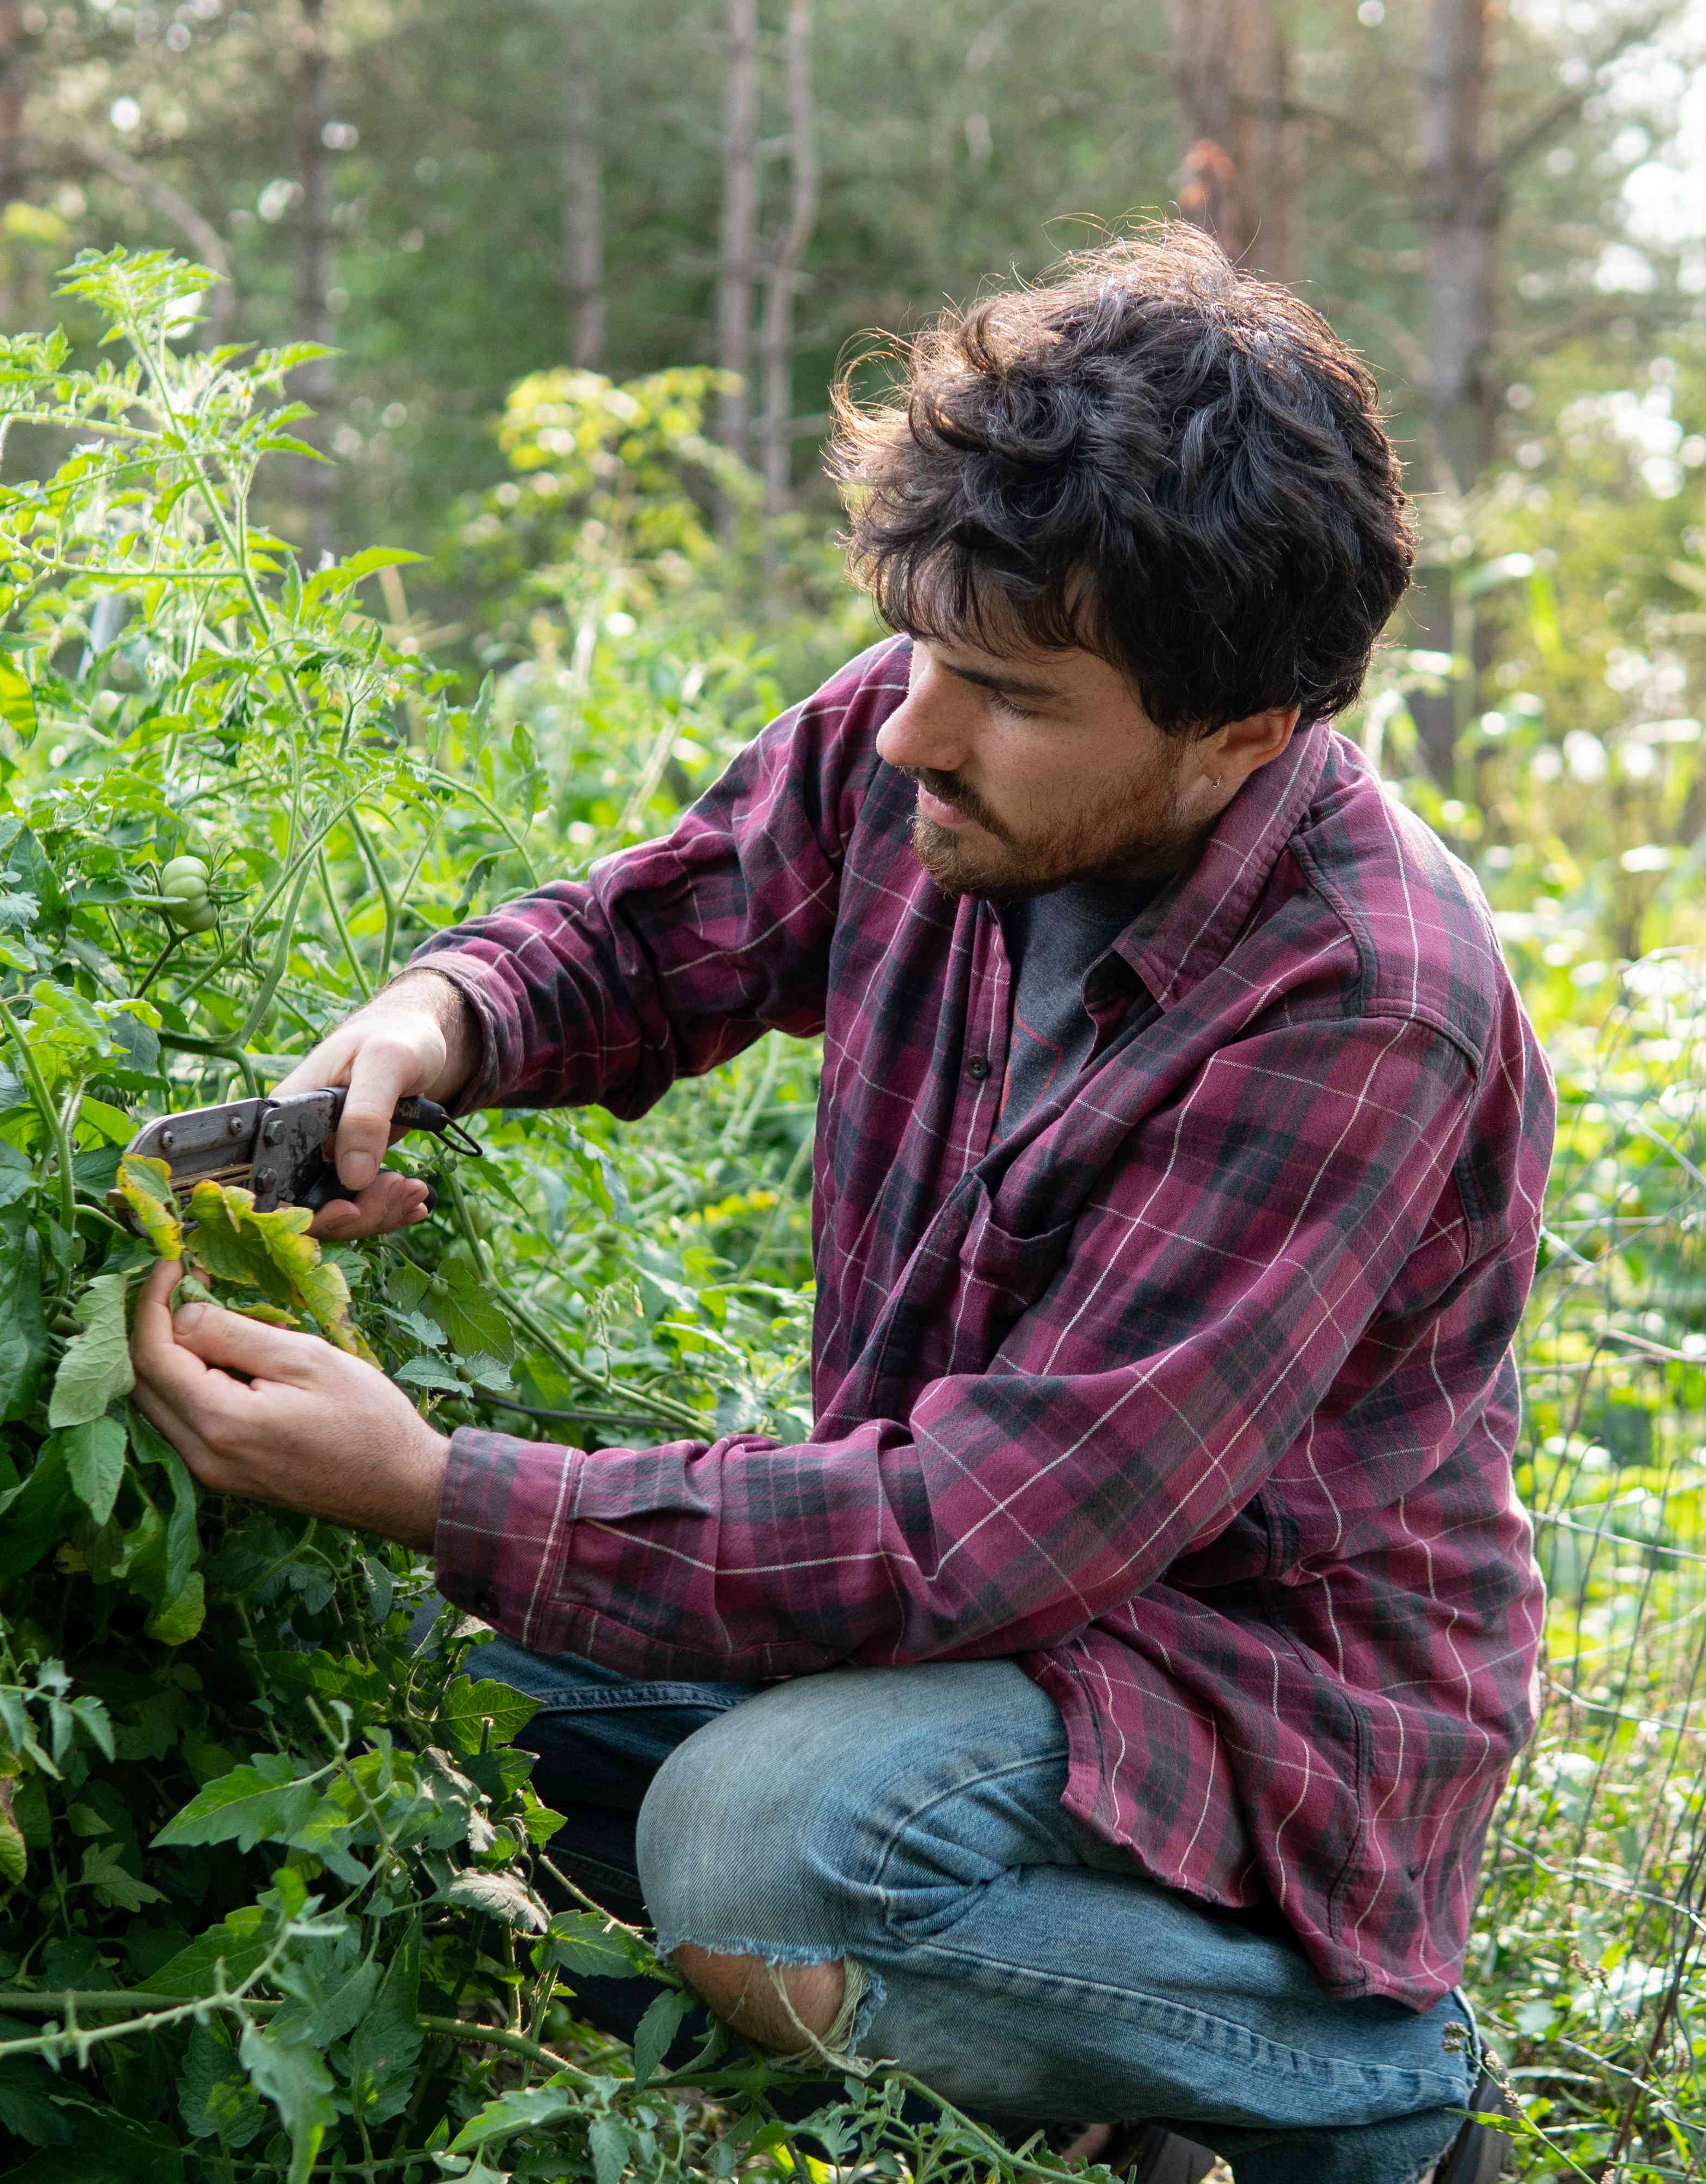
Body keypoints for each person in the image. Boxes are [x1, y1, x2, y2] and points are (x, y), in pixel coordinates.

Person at [127, 224, 1555, 2184]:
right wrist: (433, 1023)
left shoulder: (1364, 1003)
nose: (910, 735)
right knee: (442, 1695)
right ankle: (1096, 2088)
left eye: (1009, 694)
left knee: (759, 1842)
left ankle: (1362, 2079)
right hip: (980, 1638)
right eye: (922, 654)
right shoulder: (948, 737)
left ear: (1242, 735)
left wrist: (439, 1485)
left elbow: (988, 1530)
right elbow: (666, 933)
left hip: (1245, 1711)